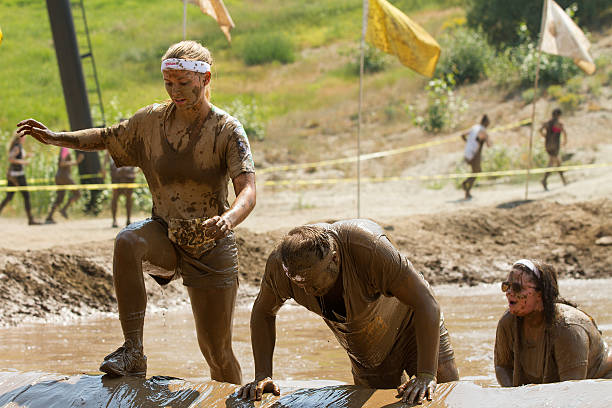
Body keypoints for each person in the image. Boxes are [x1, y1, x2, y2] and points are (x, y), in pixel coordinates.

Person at [17, 40, 256, 384]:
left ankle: (237, 401)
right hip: (165, 235)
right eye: (168, 83)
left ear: (205, 80)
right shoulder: (150, 122)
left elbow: (247, 189)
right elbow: (106, 136)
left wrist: (228, 219)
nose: (175, 91)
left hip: (211, 244)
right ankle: (133, 351)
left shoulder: (226, 129)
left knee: (217, 354)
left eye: (184, 84)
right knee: (128, 240)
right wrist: (57, 138)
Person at [239, 219, 459, 405]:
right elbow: (263, 312)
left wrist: (427, 375)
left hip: (414, 324)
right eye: (299, 285)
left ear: (335, 258)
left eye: (313, 283)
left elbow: (427, 304)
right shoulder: (280, 266)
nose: (308, 291)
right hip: (367, 350)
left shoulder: (369, 248)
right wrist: (263, 375)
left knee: (446, 397)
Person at [494, 259, 612, 386]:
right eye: (506, 286)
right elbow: (502, 366)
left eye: (517, 287)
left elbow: (572, 390)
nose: (508, 293)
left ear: (540, 294)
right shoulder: (508, 322)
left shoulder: (568, 328)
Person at [0, 133, 41, 225]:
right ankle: (30, 220)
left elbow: (15, 157)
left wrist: (26, 156)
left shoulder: (17, 146)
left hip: (13, 175)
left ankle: (30, 219)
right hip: (18, 175)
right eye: (24, 137)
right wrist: (23, 162)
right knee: (26, 196)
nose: (25, 139)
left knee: (9, 197)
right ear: (21, 138)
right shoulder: (17, 146)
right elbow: (11, 159)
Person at [45, 146, 83, 223]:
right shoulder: (65, 148)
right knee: (78, 194)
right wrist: (75, 162)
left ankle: (49, 217)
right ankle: (64, 209)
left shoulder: (64, 148)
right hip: (64, 176)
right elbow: (62, 163)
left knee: (60, 198)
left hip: (59, 177)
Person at [461, 114, 491, 200]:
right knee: (476, 172)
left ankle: (466, 188)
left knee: (476, 172)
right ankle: (466, 188)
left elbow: (462, 135)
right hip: (474, 154)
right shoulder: (482, 131)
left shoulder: (475, 127)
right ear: (486, 123)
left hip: (467, 152)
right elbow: (487, 144)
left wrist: (468, 143)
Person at [104, 152, 137, 228]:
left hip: (129, 171)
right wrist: (104, 168)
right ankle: (114, 220)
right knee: (115, 196)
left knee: (128, 197)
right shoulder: (113, 141)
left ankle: (128, 219)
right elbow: (108, 152)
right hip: (116, 172)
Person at [540, 108, 568, 191]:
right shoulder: (559, 124)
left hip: (548, 145)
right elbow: (564, 133)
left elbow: (540, 130)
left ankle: (564, 181)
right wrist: (565, 141)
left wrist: (545, 136)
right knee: (552, 163)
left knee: (558, 162)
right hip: (555, 145)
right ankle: (544, 180)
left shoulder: (547, 123)